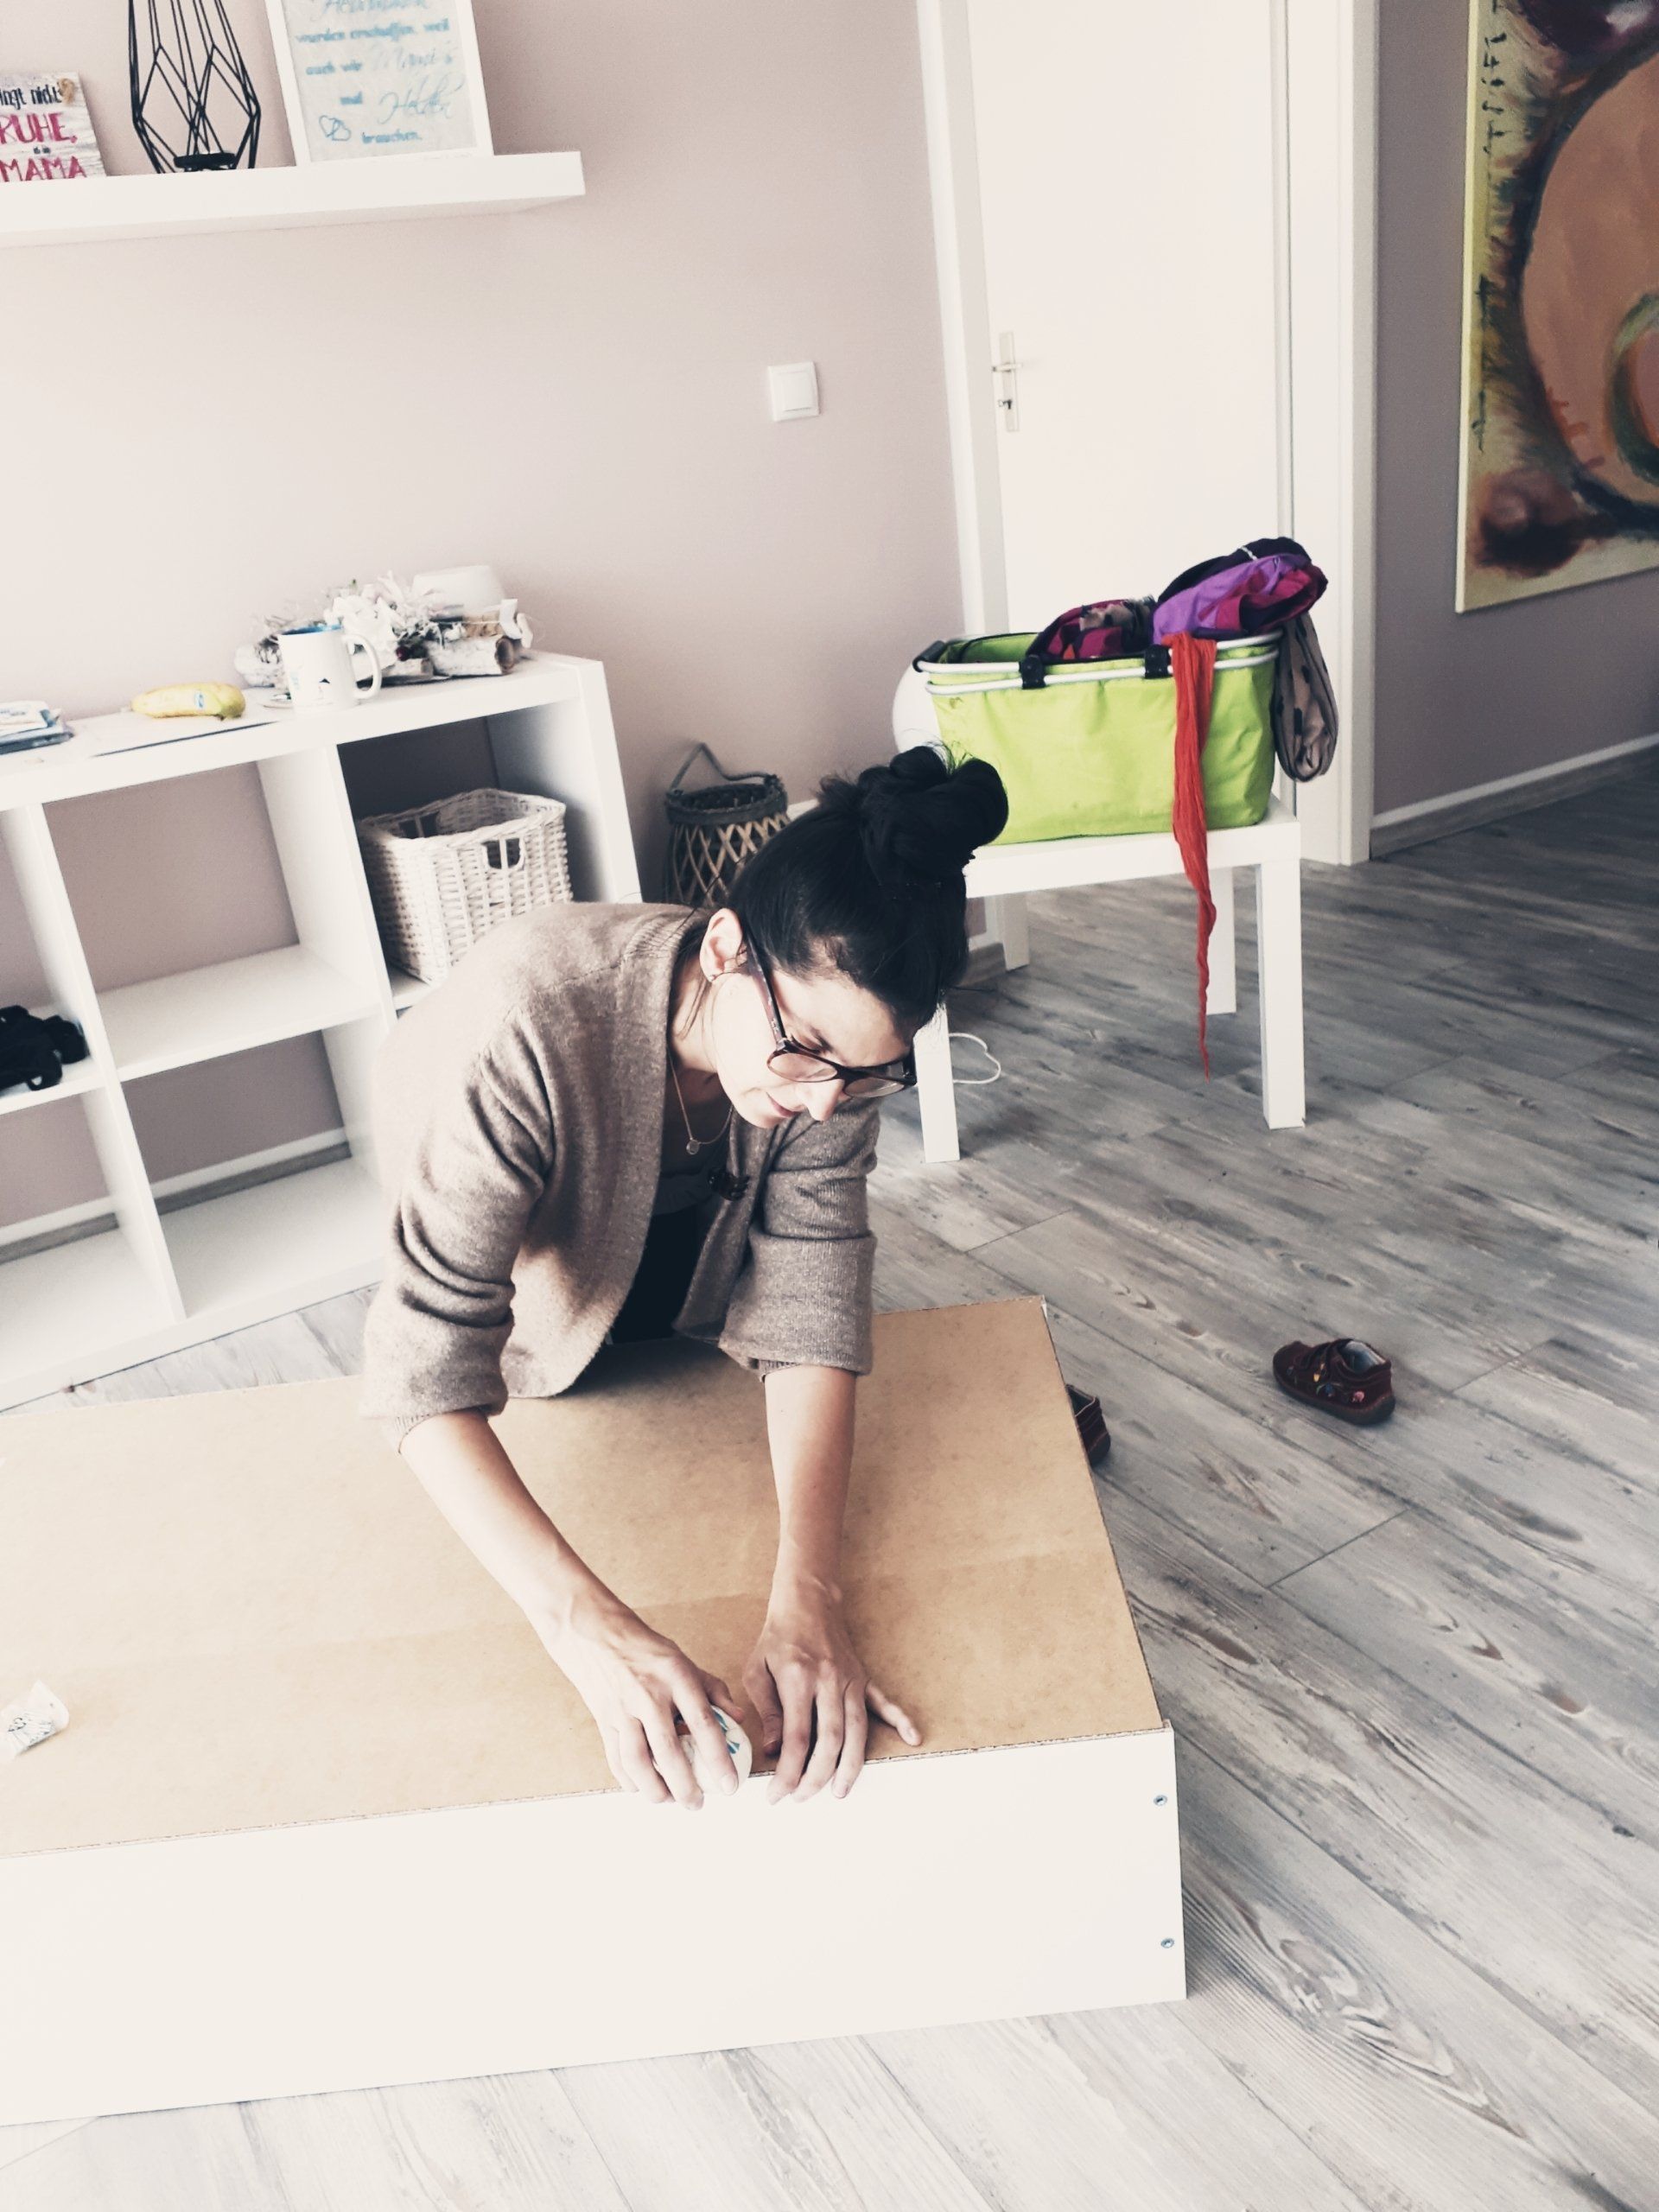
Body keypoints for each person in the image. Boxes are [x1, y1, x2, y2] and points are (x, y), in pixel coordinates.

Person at [358, 747, 1007, 1814]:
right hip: (516, 1244)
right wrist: (587, 1630)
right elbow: (419, 1373)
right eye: (806, 1052)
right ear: (724, 947)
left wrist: (811, 1595)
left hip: (671, 1243)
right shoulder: (527, 1027)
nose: (823, 1104)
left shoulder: (826, 1067)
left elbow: (812, 1301)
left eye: (865, 1077)